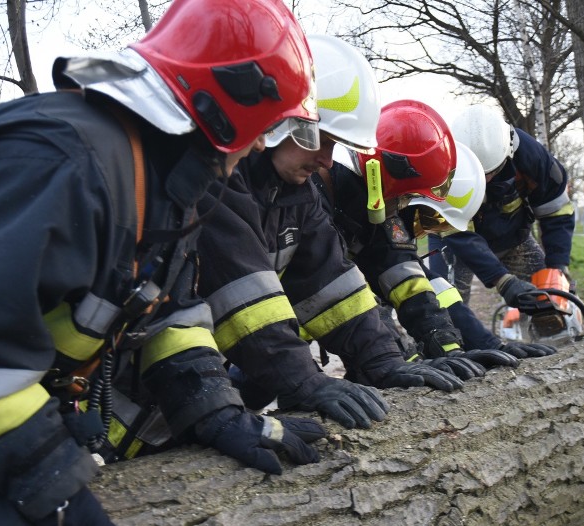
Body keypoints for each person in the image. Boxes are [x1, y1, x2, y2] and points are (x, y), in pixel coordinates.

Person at [0, 1, 325, 526]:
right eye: (268, 127)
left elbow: (170, 310)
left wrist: (213, 410)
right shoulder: (62, 162)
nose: (262, 145)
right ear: (229, 107)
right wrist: (52, 487)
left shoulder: (164, 181)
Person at [195, 35, 480, 417]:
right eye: (321, 140)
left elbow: (330, 286)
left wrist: (385, 362)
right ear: (280, 122)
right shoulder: (223, 180)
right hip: (155, 375)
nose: (328, 161)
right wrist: (305, 381)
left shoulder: (296, 190)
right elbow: (246, 304)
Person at [317, 99, 555, 361]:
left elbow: (424, 289)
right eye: (431, 220)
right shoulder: (343, 199)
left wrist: (482, 345)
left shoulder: (381, 208)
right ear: (419, 197)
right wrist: (394, 357)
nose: (428, 232)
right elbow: (351, 295)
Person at [427, 104, 574, 313]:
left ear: (509, 150)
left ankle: (553, 337)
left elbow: (557, 211)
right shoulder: (444, 171)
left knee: (549, 299)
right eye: (476, 171)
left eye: (491, 171)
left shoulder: (533, 159)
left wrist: (558, 265)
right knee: (448, 307)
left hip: (514, 238)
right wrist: (502, 280)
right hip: (455, 244)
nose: (484, 180)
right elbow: (457, 233)